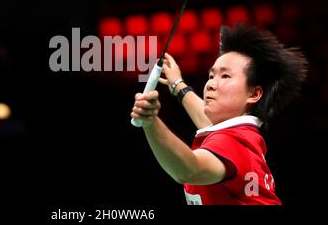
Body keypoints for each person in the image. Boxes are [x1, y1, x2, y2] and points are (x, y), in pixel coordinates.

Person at [130, 25, 308, 205]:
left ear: (254, 94)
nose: (210, 85)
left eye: (225, 76)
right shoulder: (243, 136)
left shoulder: (232, 143)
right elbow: (207, 122)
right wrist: (177, 84)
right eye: (211, 76)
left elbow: (189, 170)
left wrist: (150, 122)